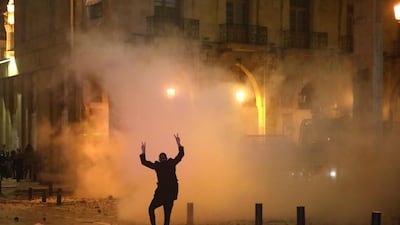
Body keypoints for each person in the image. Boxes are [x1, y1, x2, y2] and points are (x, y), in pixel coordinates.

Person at [140, 133, 185, 225]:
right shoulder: (171, 163)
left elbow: (144, 162)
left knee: (151, 209)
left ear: (160, 159)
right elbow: (181, 155)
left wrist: (143, 152)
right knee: (167, 218)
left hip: (161, 194)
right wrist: (179, 143)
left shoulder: (158, 166)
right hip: (170, 194)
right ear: (166, 158)